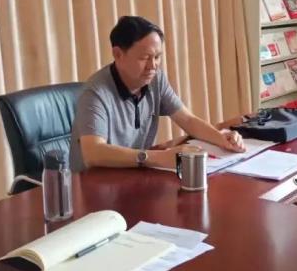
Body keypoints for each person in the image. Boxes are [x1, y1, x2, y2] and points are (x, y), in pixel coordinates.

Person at [69, 16, 245, 172]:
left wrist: (222, 139)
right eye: (145, 58)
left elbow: (187, 119)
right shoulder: (95, 93)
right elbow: (93, 153)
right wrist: (158, 157)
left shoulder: (155, 79)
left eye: (157, 57)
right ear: (118, 54)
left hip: (133, 174)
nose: (152, 66)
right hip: (94, 184)